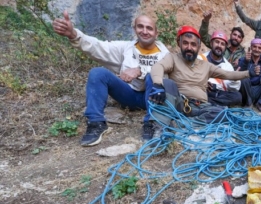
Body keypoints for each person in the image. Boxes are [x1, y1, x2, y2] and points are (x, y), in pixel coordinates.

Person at [52, 11, 169, 146]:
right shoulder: (126, 48)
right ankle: (96, 123)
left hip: (153, 98)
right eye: (140, 27)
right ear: (134, 29)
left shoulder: (165, 54)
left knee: (152, 76)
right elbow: (98, 47)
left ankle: (152, 123)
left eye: (149, 28)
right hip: (129, 95)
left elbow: (165, 77)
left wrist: (140, 71)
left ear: (156, 33)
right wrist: (74, 34)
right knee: (97, 73)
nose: (144, 31)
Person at [147, 26, 249, 127]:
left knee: (223, 113)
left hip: (200, 106)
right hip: (179, 103)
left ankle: (180, 124)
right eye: (185, 43)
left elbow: (228, 74)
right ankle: (158, 125)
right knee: (167, 83)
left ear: (198, 47)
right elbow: (158, 66)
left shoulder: (205, 65)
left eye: (193, 44)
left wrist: (249, 73)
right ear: (179, 43)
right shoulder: (172, 58)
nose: (189, 47)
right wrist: (157, 83)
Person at [197, 31, 243, 107]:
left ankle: (210, 103)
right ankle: (216, 105)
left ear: (225, 47)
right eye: (217, 42)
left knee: (237, 96)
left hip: (219, 94)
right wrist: (203, 83)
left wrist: (235, 80)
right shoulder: (200, 59)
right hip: (203, 91)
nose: (219, 46)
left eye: (222, 44)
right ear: (211, 43)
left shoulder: (228, 66)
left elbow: (233, 88)